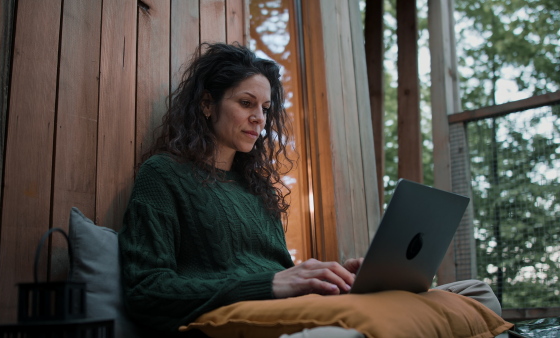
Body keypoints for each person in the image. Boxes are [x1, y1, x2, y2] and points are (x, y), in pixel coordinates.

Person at [119, 42, 500, 338]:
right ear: (206, 104)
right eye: (246, 103)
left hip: (281, 307)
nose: (259, 118)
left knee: (477, 291)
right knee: (341, 333)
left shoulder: (255, 189)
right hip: (232, 317)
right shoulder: (164, 175)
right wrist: (271, 283)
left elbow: (280, 274)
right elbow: (146, 291)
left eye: (266, 108)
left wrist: (335, 277)